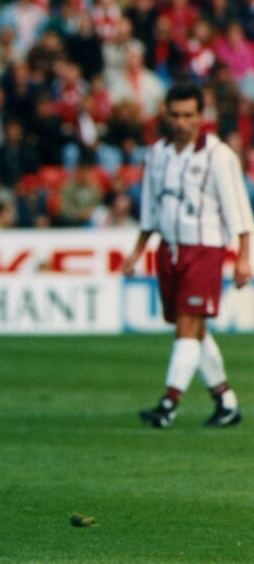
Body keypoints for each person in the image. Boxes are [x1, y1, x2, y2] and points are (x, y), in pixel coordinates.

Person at [123, 82, 254, 429]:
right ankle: (225, 401)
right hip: (169, 250)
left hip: (206, 248)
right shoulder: (157, 154)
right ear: (165, 114)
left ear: (201, 117)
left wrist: (244, 257)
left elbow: (239, 212)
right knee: (193, 328)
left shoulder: (218, 156)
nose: (181, 122)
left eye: (188, 116)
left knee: (187, 322)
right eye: (176, 115)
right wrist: (136, 253)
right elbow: (150, 211)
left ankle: (169, 403)